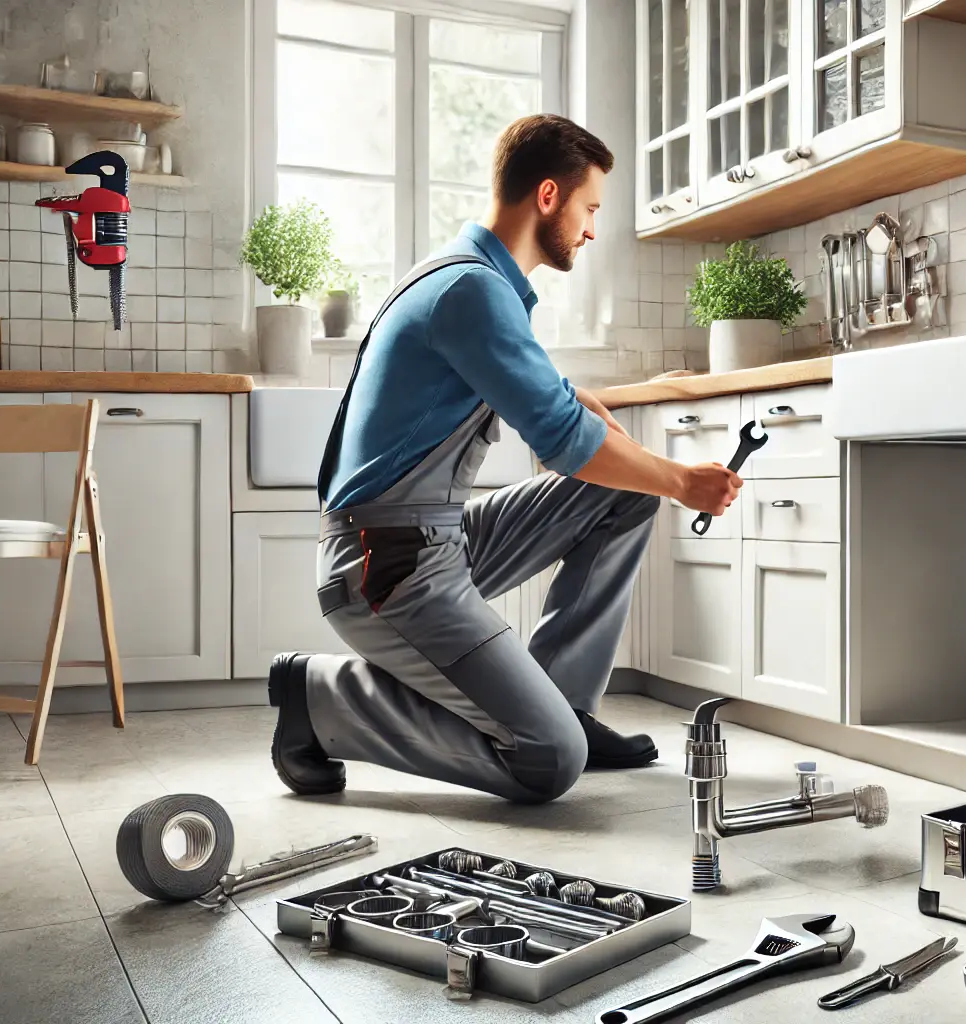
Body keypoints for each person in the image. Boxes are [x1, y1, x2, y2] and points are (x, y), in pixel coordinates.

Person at [266, 114, 743, 804]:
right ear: (548, 196)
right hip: (386, 564)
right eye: (589, 207)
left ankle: (563, 700)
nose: (591, 228)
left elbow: (545, 404)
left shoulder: (468, 282)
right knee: (549, 760)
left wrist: (587, 410)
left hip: (431, 537)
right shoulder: (471, 292)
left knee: (623, 490)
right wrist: (681, 482)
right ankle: (319, 697)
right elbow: (566, 444)